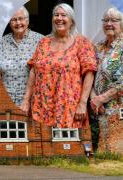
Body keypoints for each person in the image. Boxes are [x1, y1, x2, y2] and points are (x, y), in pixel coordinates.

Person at [20, 3, 97, 128]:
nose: (59, 18)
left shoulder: (82, 42)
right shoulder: (44, 42)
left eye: (63, 15)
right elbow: (33, 71)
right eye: (56, 15)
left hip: (68, 106)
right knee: (41, 141)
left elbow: (89, 72)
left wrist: (83, 103)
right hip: (41, 106)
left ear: (71, 21)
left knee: (68, 141)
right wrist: (26, 100)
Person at [90, 7, 122, 150]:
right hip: (99, 109)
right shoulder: (97, 47)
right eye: (106, 20)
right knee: (104, 149)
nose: (109, 23)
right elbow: (89, 74)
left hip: (118, 107)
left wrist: (102, 98)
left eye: (114, 20)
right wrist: (94, 99)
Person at [0, 7, 43, 106]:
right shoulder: (1, 42)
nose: (18, 23)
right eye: (14, 20)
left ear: (27, 20)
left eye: (21, 19)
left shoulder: (40, 40)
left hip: (32, 100)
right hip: (5, 100)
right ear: (9, 23)